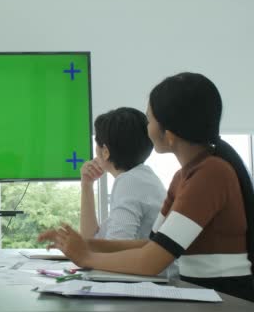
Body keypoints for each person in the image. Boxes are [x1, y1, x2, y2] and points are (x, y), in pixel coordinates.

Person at [38, 72, 254, 301]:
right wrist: (85, 245)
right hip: (203, 295)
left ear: (169, 136)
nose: (146, 127)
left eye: (149, 120)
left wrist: (86, 257)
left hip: (227, 299)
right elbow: (151, 245)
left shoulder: (211, 174)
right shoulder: (184, 176)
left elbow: (152, 260)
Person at [78, 107, 165, 240]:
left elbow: (114, 247)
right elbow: (91, 240)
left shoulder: (129, 182)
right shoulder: (142, 177)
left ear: (105, 152)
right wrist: (87, 185)